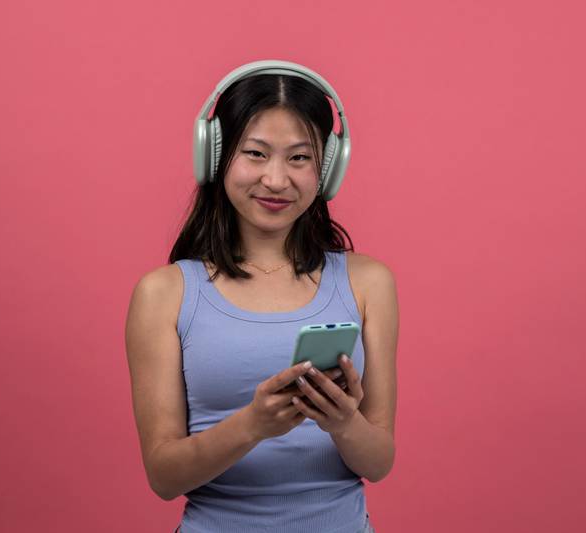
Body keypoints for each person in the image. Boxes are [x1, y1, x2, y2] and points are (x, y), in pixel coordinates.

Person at [125, 60, 398, 533]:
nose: (276, 180)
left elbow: (378, 463)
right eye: (255, 153)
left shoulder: (369, 282)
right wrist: (253, 424)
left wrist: (341, 422)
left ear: (328, 168)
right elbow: (164, 476)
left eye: (299, 158)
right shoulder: (163, 294)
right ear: (215, 155)